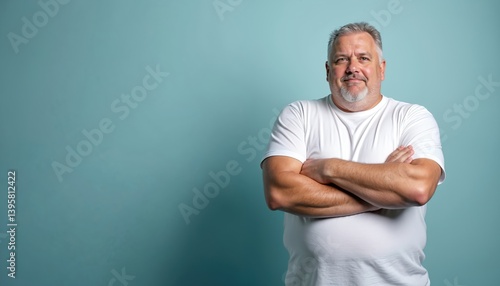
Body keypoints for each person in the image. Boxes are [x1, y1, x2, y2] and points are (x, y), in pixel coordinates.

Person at [261, 22, 445, 285]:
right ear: (328, 71)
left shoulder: (411, 117)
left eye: (363, 58)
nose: (352, 67)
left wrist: (329, 169)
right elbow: (279, 192)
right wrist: (384, 193)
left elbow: (417, 189)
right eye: (341, 59)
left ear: (381, 69)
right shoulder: (299, 115)